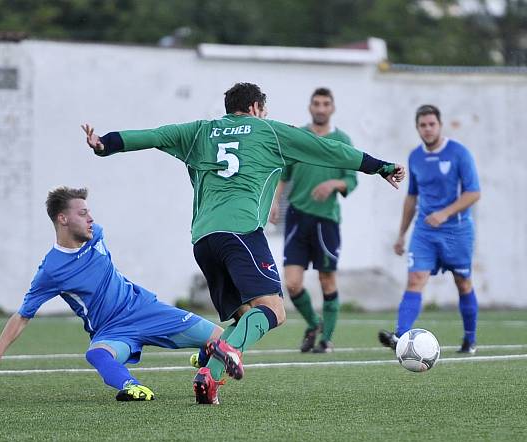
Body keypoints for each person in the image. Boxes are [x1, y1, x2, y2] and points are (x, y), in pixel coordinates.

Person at [82, 82, 405, 404]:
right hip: (241, 232)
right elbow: (329, 150)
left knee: (244, 317)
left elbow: (151, 136)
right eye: (263, 110)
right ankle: (219, 357)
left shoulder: (198, 131)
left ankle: (208, 379)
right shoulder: (270, 131)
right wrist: (380, 167)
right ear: (255, 108)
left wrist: (104, 144)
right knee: (273, 311)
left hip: (204, 239)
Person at [0, 187, 234, 402]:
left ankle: (202, 356)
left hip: (144, 309)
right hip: (112, 330)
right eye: (83, 213)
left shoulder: (96, 234)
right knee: (96, 353)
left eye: (89, 212)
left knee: (223, 340)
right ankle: (131, 386)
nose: (91, 219)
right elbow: (23, 315)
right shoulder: (51, 271)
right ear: (63, 219)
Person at [379, 105, 481, 354]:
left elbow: (473, 193)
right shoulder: (415, 157)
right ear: (417, 128)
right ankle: (401, 337)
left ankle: (470, 339)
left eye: (431, 124)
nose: (427, 129)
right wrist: (401, 234)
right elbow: (411, 197)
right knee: (415, 280)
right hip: (425, 232)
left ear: (440, 125)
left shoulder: (459, 153)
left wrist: (445, 213)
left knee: (463, 283)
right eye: (422, 125)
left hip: (457, 232)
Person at [269, 87, 357, 354]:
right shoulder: (300, 137)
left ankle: (326, 340)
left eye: (325, 104)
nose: (320, 108)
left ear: (332, 108)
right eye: (316, 103)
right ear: (310, 107)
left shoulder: (342, 140)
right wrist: (274, 201)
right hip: (297, 217)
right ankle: (314, 323)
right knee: (292, 283)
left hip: (326, 221)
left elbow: (352, 179)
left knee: (327, 280)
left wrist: (334, 183)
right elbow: (283, 175)